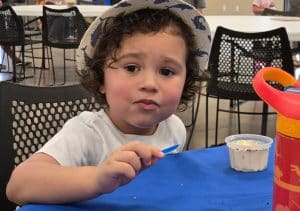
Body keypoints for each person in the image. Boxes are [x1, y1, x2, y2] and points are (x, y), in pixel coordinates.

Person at [6, 0, 211, 205]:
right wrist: (96, 179)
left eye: (167, 71)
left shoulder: (174, 129)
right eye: (131, 68)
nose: (149, 84)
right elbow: (18, 186)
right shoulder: (88, 133)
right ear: (101, 78)